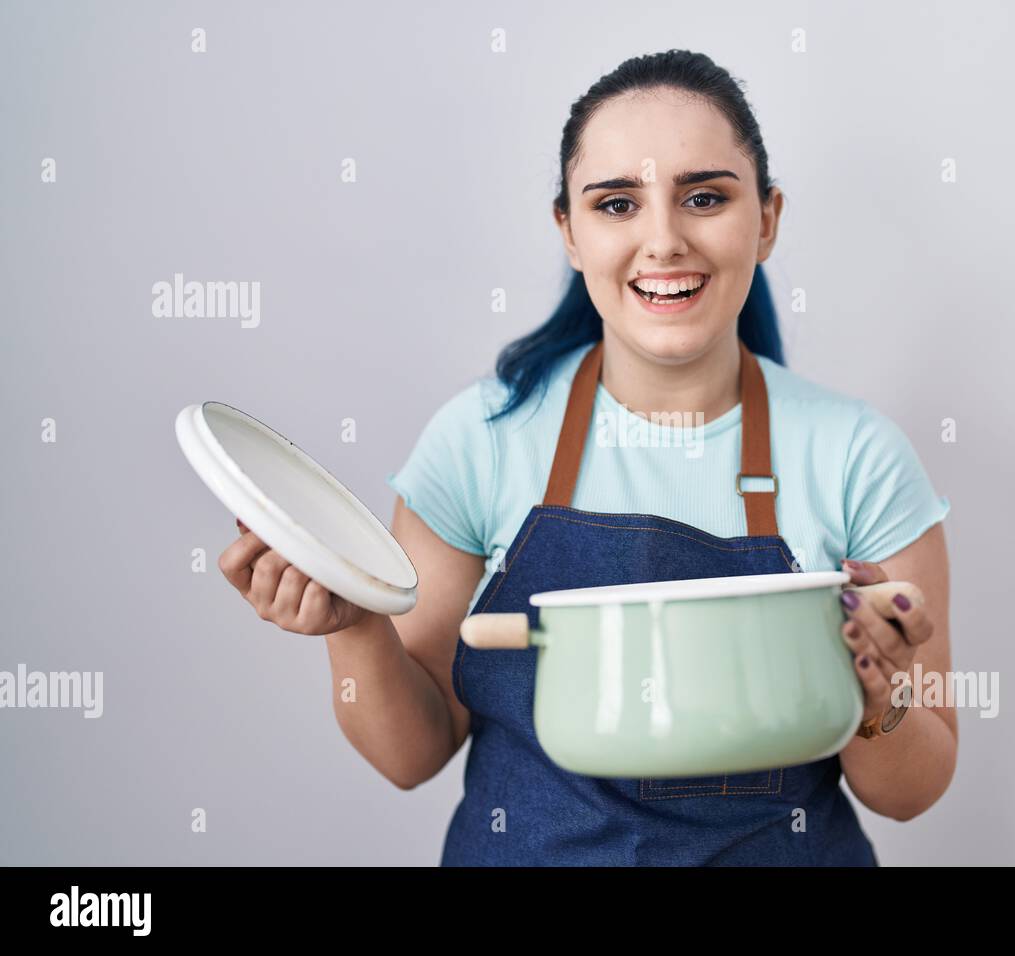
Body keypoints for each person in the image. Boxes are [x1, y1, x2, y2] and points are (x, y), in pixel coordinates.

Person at [219, 49, 956, 866]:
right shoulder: (479, 441)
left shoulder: (859, 457)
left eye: (704, 197)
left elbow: (911, 791)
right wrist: (356, 630)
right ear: (569, 231)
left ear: (768, 219)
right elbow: (411, 755)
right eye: (616, 204)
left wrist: (879, 696)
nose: (663, 241)